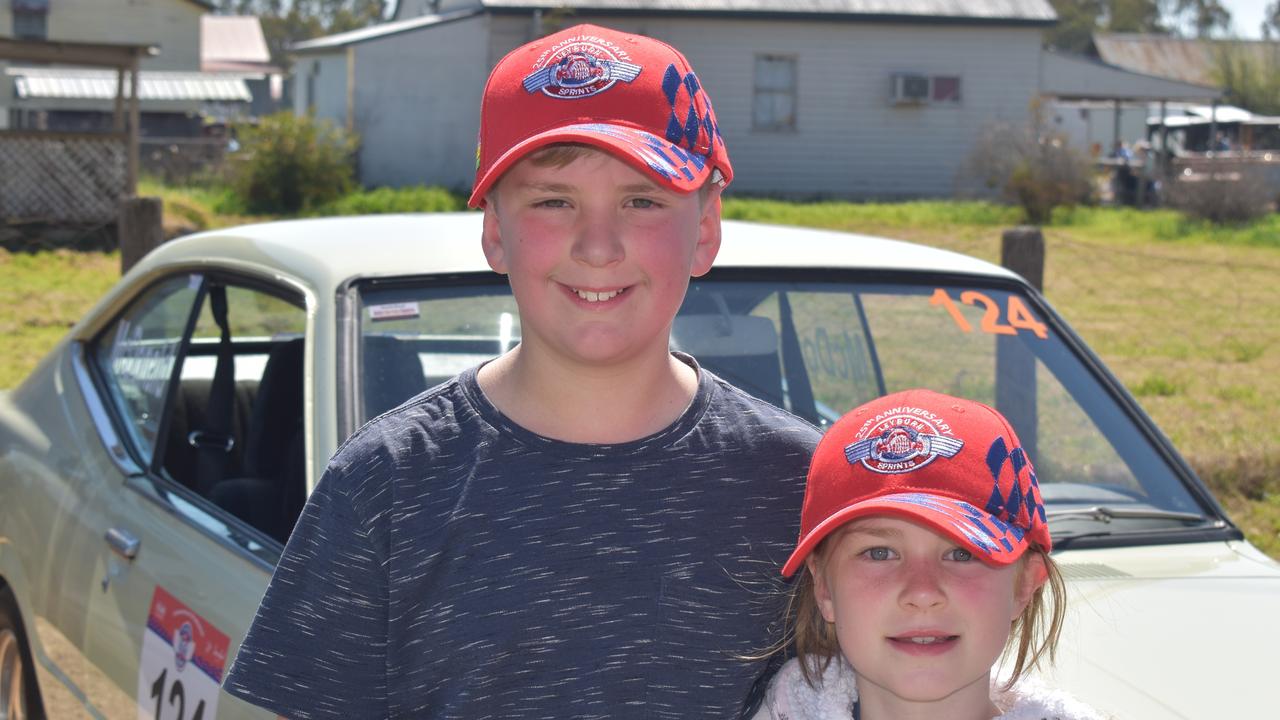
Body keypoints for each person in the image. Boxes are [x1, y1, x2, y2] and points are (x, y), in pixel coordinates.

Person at [221, 23, 820, 719]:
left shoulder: (798, 487)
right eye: (553, 201)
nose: (598, 247)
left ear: (706, 229)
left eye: (643, 201)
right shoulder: (388, 482)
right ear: (496, 232)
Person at [752, 388, 1106, 720]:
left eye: (962, 554)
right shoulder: (786, 706)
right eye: (879, 553)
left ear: (1025, 585)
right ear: (824, 587)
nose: (922, 593)